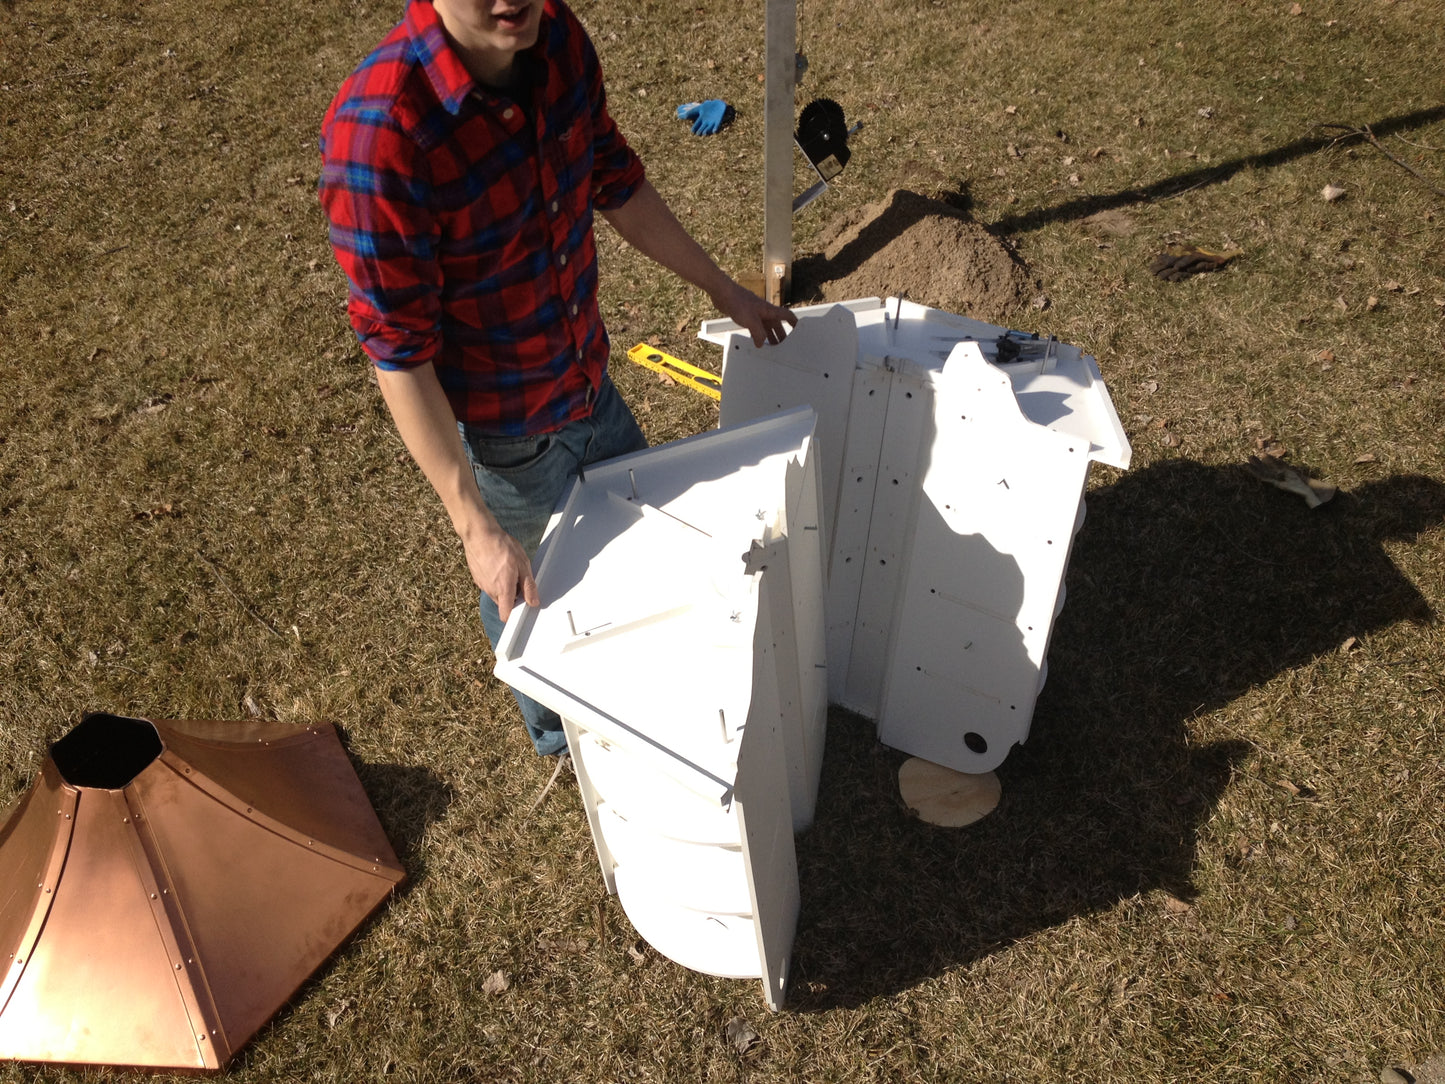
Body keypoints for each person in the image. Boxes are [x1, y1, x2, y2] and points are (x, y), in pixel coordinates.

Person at [319, 0, 795, 758]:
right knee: (535, 592)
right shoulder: (380, 134)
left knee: (637, 545)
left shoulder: (557, 39)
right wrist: (475, 526)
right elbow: (398, 352)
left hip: (588, 382)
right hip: (510, 436)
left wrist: (721, 288)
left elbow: (616, 181)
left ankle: (626, 687)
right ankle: (560, 734)